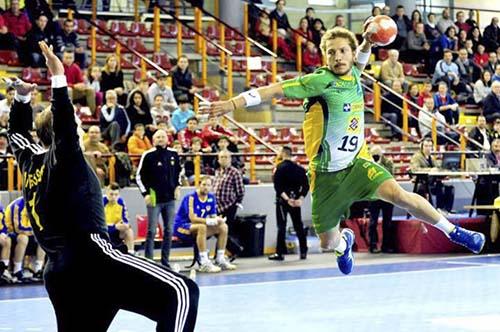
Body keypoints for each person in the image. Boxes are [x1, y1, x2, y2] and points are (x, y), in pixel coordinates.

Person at [200, 26, 486, 276]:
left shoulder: (355, 75)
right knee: (327, 242)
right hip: (326, 176)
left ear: (351, 54)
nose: (337, 57)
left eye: (343, 51)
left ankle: (455, 231)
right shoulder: (319, 82)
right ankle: (343, 244)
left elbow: (359, 61)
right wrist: (232, 104)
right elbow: (275, 89)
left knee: (400, 195)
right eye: (331, 52)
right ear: (325, 56)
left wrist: (367, 43)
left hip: (357, 164)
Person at [7, 41, 198, 330]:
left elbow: (17, 133)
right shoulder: (66, 155)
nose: (80, 127)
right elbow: (60, 124)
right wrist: (58, 77)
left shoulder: (30, 160)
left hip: (59, 273)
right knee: (181, 292)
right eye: (75, 123)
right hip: (93, 258)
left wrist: (21, 98)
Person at [136, 129, 181, 268]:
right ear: (154, 140)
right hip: (154, 199)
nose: (160, 139)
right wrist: (145, 194)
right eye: (158, 137)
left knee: (169, 230)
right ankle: (149, 262)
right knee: (151, 231)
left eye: (163, 137)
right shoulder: (147, 155)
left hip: (170, 200)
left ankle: (165, 262)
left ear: (167, 139)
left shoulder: (174, 154)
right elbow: (139, 176)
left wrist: (178, 186)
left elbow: (179, 171)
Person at [173, 176, 236, 272]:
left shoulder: (211, 198)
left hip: (198, 228)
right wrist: (209, 221)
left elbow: (213, 216)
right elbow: (192, 219)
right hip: (182, 227)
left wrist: (218, 220)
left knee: (223, 227)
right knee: (202, 227)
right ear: (199, 185)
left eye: (209, 185)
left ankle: (220, 259)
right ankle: (204, 262)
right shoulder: (190, 198)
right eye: (204, 184)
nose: (206, 187)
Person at [269, 146, 309, 261]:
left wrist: (287, 200)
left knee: (281, 226)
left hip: (283, 201)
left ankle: (280, 253)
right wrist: (300, 199)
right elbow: (306, 185)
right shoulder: (300, 169)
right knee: (298, 226)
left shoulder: (279, 168)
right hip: (296, 200)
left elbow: (278, 187)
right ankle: (303, 251)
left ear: (283, 153)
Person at [368, 146, 395, 253]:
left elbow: (388, 175)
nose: (376, 156)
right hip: (374, 196)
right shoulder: (368, 163)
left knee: (387, 222)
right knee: (373, 222)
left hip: (387, 196)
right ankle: (373, 245)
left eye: (377, 154)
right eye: (374, 154)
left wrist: (378, 163)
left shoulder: (388, 162)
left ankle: (386, 245)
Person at [213, 150, 245, 239]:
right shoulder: (217, 171)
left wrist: (236, 204)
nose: (224, 159)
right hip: (217, 206)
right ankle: (221, 251)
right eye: (221, 157)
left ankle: (235, 249)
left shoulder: (235, 172)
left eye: (226, 157)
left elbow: (240, 191)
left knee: (226, 231)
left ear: (230, 159)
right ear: (218, 160)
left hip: (229, 206)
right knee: (217, 230)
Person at [103, 183, 134, 254]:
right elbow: (98, 225)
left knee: (129, 231)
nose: (114, 197)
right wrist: (114, 227)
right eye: (111, 194)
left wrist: (125, 225)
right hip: (105, 232)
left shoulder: (121, 202)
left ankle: (130, 254)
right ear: (107, 192)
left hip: (116, 231)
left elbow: (125, 220)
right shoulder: (101, 202)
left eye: (116, 195)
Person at [62, 49, 96, 114]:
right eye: (66, 58)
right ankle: (69, 114)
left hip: (75, 90)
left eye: (70, 58)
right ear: (63, 58)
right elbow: (60, 83)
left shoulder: (76, 67)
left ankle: (92, 114)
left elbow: (81, 81)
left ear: (73, 58)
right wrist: (73, 86)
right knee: (69, 90)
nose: (68, 60)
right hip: (63, 91)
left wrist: (82, 85)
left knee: (90, 90)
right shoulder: (59, 67)